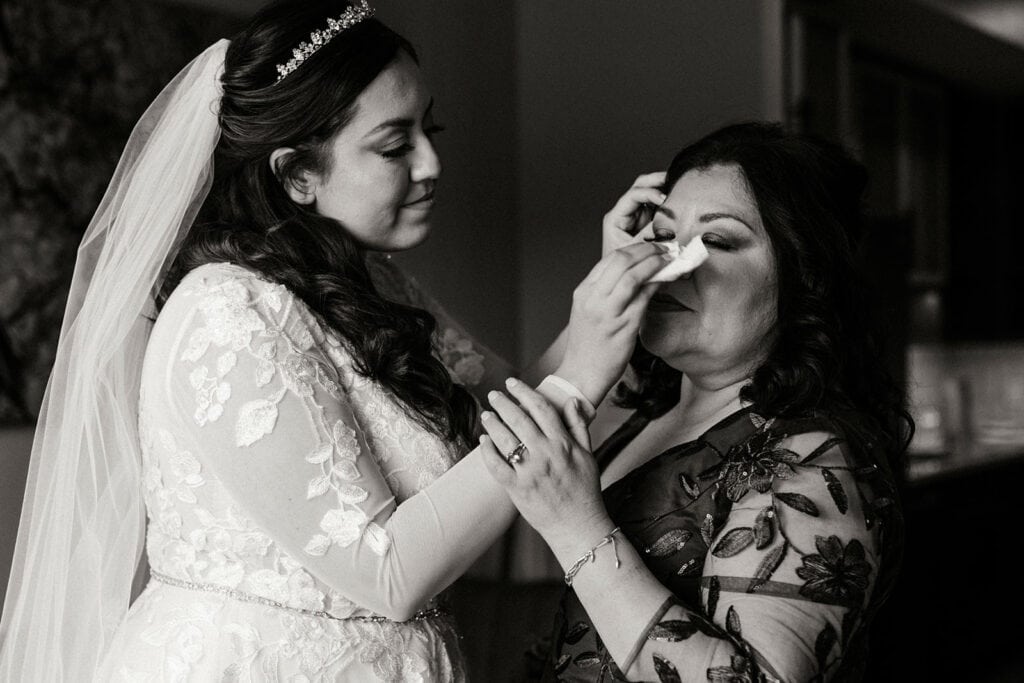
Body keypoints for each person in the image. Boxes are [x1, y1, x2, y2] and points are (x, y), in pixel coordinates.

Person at [0, 1, 670, 680]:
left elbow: (507, 412)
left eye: (428, 129)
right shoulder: (228, 312)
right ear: (296, 173)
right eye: (394, 143)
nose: (433, 163)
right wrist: (578, 373)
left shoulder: (367, 284)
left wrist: (608, 292)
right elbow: (386, 573)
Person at [479, 122, 911, 682]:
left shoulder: (813, 459)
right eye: (662, 238)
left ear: (803, 278)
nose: (668, 264)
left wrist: (573, 526)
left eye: (717, 240)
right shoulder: (646, 414)